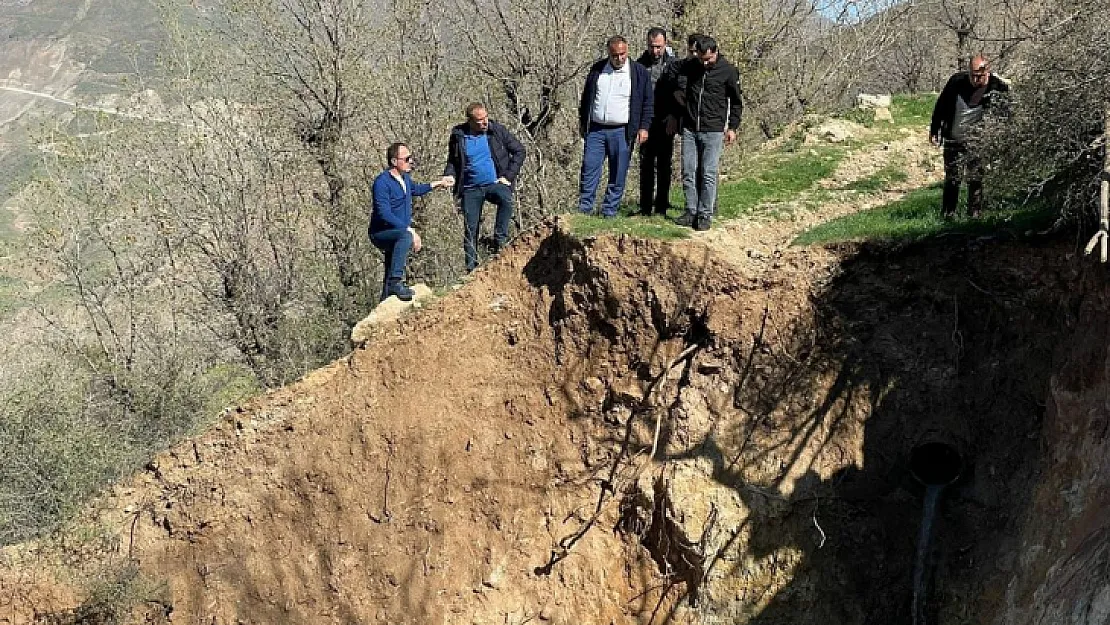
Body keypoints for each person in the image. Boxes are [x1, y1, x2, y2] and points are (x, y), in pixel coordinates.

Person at [669, 36, 742, 231]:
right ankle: (690, 210)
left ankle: (705, 214)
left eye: (708, 59)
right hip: (691, 128)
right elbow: (673, 73)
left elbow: (736, 102)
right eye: (701, 59)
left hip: (714, 130)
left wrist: (732, 127)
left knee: (708, 173)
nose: (705, 63)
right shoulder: (692, 66)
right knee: (688, 171)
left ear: (715, 52)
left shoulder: (728, 71)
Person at [443, 103, 526, 272]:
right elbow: (453, 161)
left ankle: (500, 242)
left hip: (494, 183)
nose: (484, 122)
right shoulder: (459, 136)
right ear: (470, 121)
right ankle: (471, 267)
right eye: (479, 120)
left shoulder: (496, 131)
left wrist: (508, 176)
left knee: (506, 199)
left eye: (485, 118)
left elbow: (519, 151)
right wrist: (449, 175)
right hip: (470, 188)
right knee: (471, 227)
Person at [577, 35, 654, 218]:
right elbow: (587, 97)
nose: (619, 58)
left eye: (622, 54)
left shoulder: (638, 72)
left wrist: (644, 127)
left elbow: (647, 102)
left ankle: (609, 211)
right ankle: (584, 209)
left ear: (627, 51)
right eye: (615, 55)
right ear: (608, 53)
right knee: (589, 169)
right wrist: (583, 123)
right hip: (596, 129)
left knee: (618, 173)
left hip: (622, 131)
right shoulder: (597, 70)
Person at [930, 55, 1011, 218]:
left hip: (978, 142)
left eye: (979, 76)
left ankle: (974, 214)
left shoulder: (997, 88)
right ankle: (948, 214)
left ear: (987, 72)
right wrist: (934, 129)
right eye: (972, 75)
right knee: (953, 178)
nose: (975, 79)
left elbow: (1007, 113)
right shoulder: (956, 82)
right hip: (954, 139)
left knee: (976, 178)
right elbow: (941, 105)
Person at [369, 142, 451, 302]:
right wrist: (410, 230)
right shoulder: (382, 183)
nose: (410, 161)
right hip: (381, 233)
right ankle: (395, 283)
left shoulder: (404, 178)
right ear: (394, 161)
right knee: (405, 237)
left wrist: (438, 183)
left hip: (397, 231)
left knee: (390, 267)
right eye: (406, 159)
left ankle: (386, 297)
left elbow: (415, 189)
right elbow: (384, 213)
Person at [634, 27, 678, 216]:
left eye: (659, 47)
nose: (655, 51)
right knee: (645, 164)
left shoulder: (674, 65)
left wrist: (674, 117)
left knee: (664, 164)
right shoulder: (639, 65)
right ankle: (645, 207)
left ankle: (661, 206)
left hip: (666, 121)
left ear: (665, 44)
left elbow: (680, 94)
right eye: (652, 47)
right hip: (646, 122)